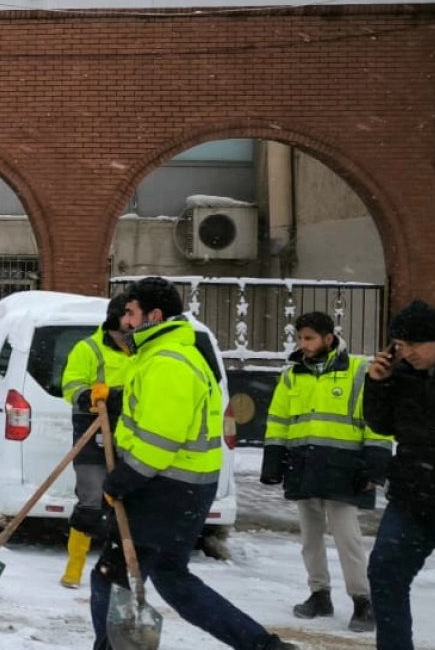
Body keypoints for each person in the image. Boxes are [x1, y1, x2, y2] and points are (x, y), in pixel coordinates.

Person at [89, 277, 295, 650]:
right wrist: (117, 399)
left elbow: (161, 439)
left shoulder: (168, 361)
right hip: (182, 489)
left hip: (164, 488)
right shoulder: (166, 352)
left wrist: (124, 479)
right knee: (173, 580)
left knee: (110, 577)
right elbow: (157, 411)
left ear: (154, 315)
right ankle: (263, 646)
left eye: (132, 313)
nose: (126, 321)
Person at [260, 311, 390, 632]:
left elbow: (377, 422)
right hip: (304, 466)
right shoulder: (292, 375)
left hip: (345, 469)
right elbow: (279, 421)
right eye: (300, 338)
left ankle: (362, 601)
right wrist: (273, 464)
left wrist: (374, 467)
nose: (302, 344)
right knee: (310, 538)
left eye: (309, 338)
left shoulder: (358, 371)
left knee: (349, 539)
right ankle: (319, 594)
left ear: (328, 339)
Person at [364, 300, 435, 650]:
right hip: (413, 497)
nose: (407, 352)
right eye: (400, 345)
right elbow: (381, 424)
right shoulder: (402, 375)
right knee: (385, 574)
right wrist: (377, 384)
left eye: (415, 344)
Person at [58, 294, 132, 589]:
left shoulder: (142, 351)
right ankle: (74, 567)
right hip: (93, 431)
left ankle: (113, 569)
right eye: (128, 315)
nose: (132, 322)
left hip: (129, 433)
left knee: (122, 502)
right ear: (116, 316)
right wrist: (91, 395)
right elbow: (71, 385)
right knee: (90, 500)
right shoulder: (87, 348)